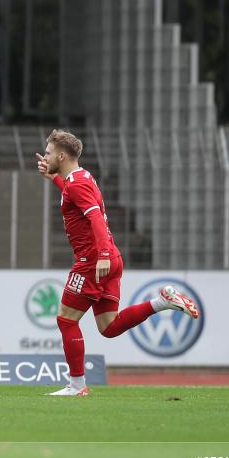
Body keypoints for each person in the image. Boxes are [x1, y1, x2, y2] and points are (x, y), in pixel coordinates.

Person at [36, 129, 199, 396]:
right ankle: (163, 302)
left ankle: (77, 386)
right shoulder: (81, 177)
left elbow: (96, 219)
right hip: (111, 259)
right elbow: (76, 199)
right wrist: (54, 177)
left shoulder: (77, 183)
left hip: (93, 261)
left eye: (50, 152)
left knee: (66, 320)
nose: (46, 155)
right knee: (109, 328)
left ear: (62, 155)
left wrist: (99, 255)